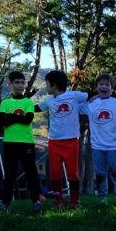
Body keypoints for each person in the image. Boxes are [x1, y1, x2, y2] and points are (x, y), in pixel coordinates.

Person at [36, 69, 89, 209]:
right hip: (54, 142)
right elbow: (35, 108)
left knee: (73, 172)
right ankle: (58, 201)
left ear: (54, 85)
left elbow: (90, 96)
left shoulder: (74, 96)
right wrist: (21, 105)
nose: (46, 87)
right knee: (54, 173)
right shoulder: (48, 102)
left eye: (47, 84)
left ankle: (75, 201)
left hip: (71, 141)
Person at [0, 71, 43, 213]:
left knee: (31, 173)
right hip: (10, 142)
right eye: (17, 82)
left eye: (22, 82)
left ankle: (36, 201)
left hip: (26, 143)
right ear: (10, 84)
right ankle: (5, 203)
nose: (20, 85)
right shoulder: (4, 103)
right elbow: (2, 121)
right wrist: (18, 117)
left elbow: (27, 119)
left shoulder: (28, 102)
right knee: (10, 174)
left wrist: (10, 118)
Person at [85, 74, 116, 203]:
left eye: (107, 85)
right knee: (100, 173)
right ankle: (102, 197)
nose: (104, 87)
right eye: (101, 84)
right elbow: (76, 103)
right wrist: (93, 96)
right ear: (96, 87)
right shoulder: (90, 104)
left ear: (112, 88)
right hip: (97, 146)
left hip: (114, 145)